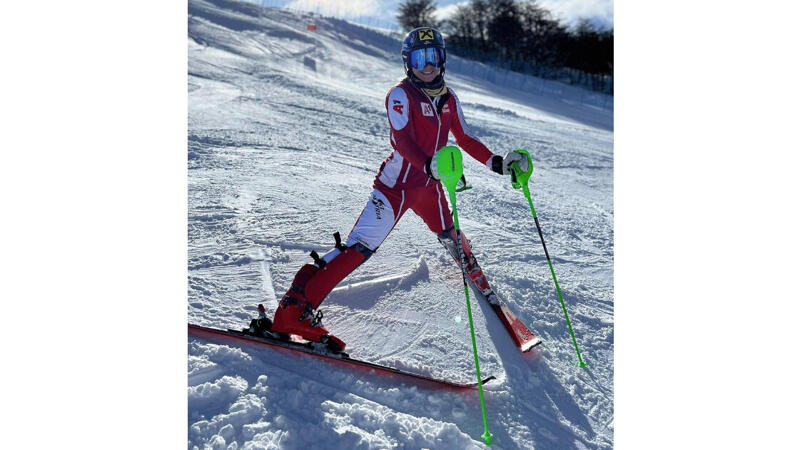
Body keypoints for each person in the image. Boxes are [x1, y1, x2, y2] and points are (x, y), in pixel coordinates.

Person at [270, 27, 528, 352]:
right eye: (420, 58)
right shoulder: (400, 95)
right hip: (395, 188)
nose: (428, 65)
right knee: (359, 248)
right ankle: (295, 311)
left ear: (442, 59)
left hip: (429, 188)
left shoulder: (449, 99)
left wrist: (497, 163)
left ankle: (477, 278)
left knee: (452, 234)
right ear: (409, 63)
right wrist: (427, 165)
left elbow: (464, 139)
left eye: (433, 56)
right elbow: (401, 140)